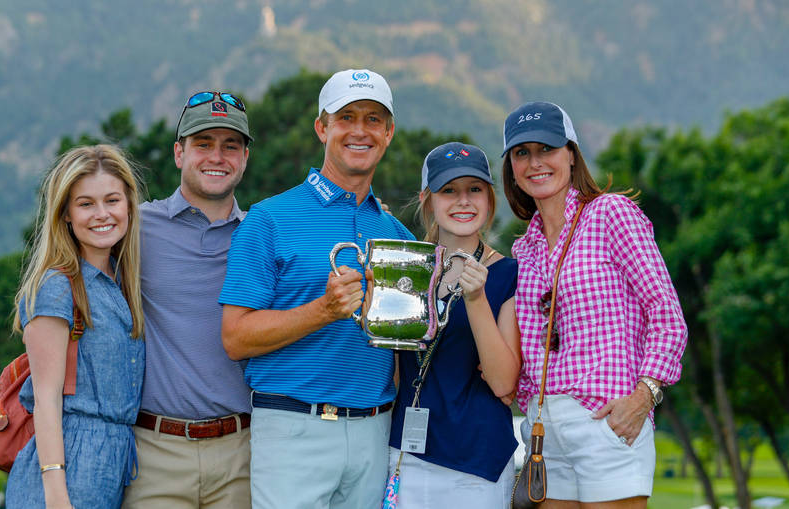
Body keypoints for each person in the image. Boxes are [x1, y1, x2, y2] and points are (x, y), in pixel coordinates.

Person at [219, 68, 414, 509]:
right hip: (292, 427)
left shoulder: (396, 234)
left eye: (373, 119)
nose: (359, 131)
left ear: (388, 133)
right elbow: (235, 337)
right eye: (346, 118)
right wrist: (323, 310)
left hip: (374, 429)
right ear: (322, 128)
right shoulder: (269, 219)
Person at [501, 101, 688, 507]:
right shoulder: (524, 249)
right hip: (544, 432)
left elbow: (666, 314)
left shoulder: (610, 214)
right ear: (511, 167)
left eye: (547, 149)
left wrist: (644, 395)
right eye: (522, 153)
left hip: (606, 418)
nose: (535, 162)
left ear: (571, 154)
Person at [121, 91, 254, 509]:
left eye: (230, 146)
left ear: (244, 158)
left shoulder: (262, 235)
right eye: (203, 144)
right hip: (154, 452)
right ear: (179, 153)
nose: (217, 157)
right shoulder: (134, 227)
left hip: (243, 452)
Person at [5, 144, 145, 508]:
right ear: (66, 213)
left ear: (129, 205)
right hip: (69, 467)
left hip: (116, 464)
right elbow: (46, 399)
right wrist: (56, 494)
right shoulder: (57, 286)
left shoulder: (122, 283)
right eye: (86, 204)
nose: (102, 214)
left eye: (112, 200)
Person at [387, 142, 521, 508]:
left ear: (489, 199)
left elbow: (503, 382)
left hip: (475, 464)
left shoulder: (509, 273)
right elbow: (394, 370)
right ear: (428, 199)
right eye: (449, 190)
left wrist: (476, 300)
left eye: (474, 189)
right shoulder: (407, 270)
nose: (463, 201)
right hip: (404, 453)